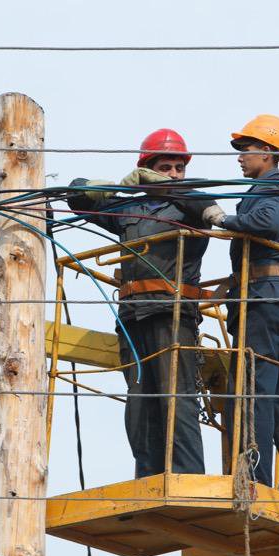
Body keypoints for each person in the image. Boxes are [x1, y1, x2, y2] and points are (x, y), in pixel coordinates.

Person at [66, 128, 215, 478]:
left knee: (176, 399)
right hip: (133, 317)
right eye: (166, 167)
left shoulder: (187, 207)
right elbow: (76, 194)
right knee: (139, 403)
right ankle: (148, 476)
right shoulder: (130, 209)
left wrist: (167, 185)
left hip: (172, 315)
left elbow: (203, 202)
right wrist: (122, 186)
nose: (175, 174)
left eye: (180, 168)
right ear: (147, 168)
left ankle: (187, 477)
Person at [199, 115, 279, 500]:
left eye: (247, 149)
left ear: (268, 153)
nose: (240, 157)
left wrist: (225, 220)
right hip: (275, 300)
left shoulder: (270, 191)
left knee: (251, 389)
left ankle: (254, 484)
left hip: (264, 303)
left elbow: (263, 223)